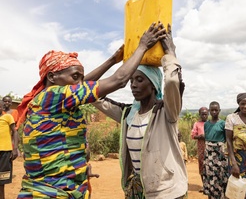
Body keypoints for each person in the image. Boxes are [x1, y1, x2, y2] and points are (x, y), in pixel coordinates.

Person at [16, 22, 166, 199]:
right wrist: (143, 46)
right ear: (51, 77)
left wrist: (113, 60)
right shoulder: (54, 95)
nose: (80, 83)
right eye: (74, 77)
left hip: (60, 189)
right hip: (50, 193)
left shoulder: (50, 98)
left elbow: (82, 86)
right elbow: (119, 80)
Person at [93, 24, 188, 199]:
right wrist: (113, 60)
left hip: (166, 192)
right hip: (138, 190)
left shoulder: (166, 111)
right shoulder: (127, 113)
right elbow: (89, 93)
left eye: (139, 80)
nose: (133, 85)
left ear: (153, 85)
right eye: (131, 80)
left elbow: (173, 83)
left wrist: (170, 54)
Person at [203, 101, 228, 199]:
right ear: (209, 111)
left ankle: (220, 195)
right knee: (209, 174)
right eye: (212, 110)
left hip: (219, 153)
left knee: (220, 174)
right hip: (208, 152)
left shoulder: (223, 123)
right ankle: (211, 195)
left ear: (219, 111)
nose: (214, 112)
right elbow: (206, 137)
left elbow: (226, 139)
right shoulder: (206, 124)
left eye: (216, 110)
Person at [0, 101, 19, 199]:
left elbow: (15, 132)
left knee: (1, 182)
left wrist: (15, 149)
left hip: (4, 152)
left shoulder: (8, 117)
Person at [191, 106, 208, 192]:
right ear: (200, 115)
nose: (204, 116)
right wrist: (200, 136)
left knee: (211, 165)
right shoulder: (197, 124)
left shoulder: (211, 123)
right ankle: (204, 186)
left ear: (208, 114)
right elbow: (193, 135)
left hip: (210, 146)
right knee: (202, 165)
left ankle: (210, 185)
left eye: (205, 114)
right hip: (201, 146)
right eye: (202, 114)